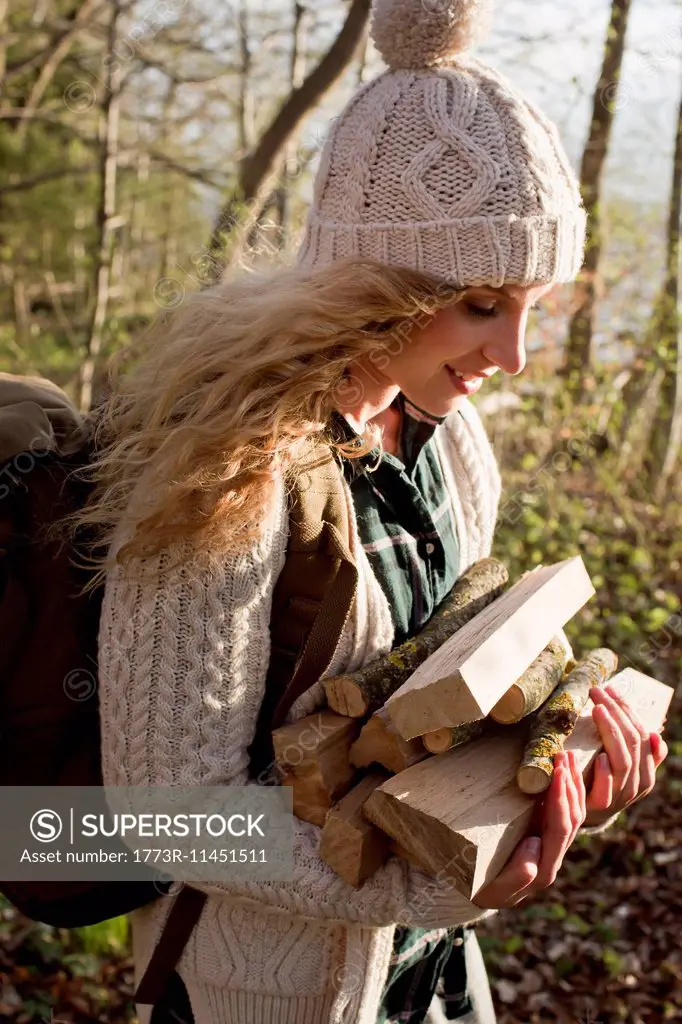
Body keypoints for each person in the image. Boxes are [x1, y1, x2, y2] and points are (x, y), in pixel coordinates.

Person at [81, 1, 669, 1022]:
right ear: (372, 287)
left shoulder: (454, 444)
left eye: (535, 305)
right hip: (259, 993)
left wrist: (549, 763)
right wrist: (427, 881)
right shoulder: (224, 475)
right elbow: (171, 814)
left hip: (432, 979)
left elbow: (438, 707)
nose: (513, 356)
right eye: (481, 304)